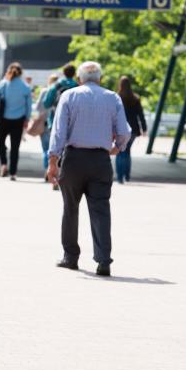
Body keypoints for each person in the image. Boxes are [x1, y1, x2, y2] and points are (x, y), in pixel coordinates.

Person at [47, 61, 130, 277]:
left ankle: (70, 257)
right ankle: (103, 261)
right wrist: (117, 148)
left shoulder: (69, 96)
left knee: (70, 208)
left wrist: (53, 161)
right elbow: (124, 131)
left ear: (79, 78)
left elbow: (59, 132)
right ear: (100, 78)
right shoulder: (112, 98)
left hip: (74, 159)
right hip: (101, 161)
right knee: (101, 210)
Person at [39, 64, 78, 187]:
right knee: (68, 150)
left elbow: (46, 103)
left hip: (55, 120)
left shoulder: (56, 85)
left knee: (55, 147)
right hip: (74, 122)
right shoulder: (77, 86)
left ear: (63, 72)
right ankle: (64, 176)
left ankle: (53, 174)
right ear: (74, 73)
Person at [0, 62, 32, 181]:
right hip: (18, 120)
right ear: (21, 73)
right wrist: (27, 119)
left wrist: (5, 78)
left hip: (4, 119)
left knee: (0, 142)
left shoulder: (5, 83)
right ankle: (13, 173)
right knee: (15, 147)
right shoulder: (25, 86)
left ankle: (3, 164)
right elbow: (28, 106)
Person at [115, 76, 147, 183]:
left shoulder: (117, 97)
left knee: (120, 152)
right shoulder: (135, 98)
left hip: (120, 128)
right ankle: (127, 176)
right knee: (127, 152)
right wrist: (144, 128)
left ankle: (120, 177)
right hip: (133, 129)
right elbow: (140, 115)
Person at [36, 74, 59, 172]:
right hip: (57, 123)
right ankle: (55, 168)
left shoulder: (45, 91)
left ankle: (47, 168)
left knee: (46, 148)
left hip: (45, 122)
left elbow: (38, 107)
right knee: (56, 148)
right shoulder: (61, 91)